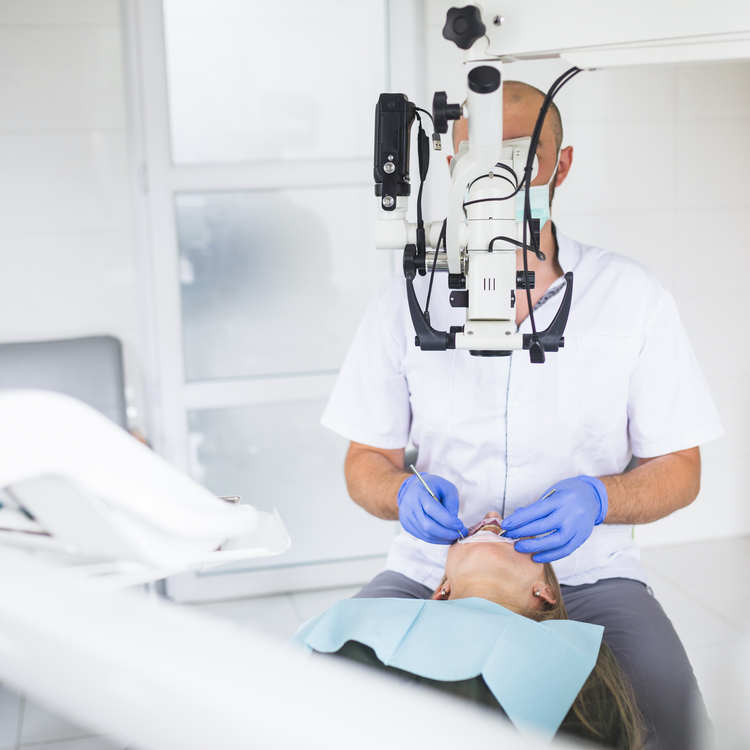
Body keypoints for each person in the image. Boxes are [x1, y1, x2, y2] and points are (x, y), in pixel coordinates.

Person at [321, 80, 724, 749]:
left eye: (519, 153)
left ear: (560, 166)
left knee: (676, 730)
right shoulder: (406, 302)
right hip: (433, 570)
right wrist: (401, 494)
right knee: (322, 707)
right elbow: (366, 464)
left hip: (592, 574)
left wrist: (599, 500)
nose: (496, 172)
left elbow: (680, 469)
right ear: (449, 164)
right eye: (476, 153)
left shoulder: (632, 299)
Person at [295, 513, 644, 749]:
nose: (492, 518)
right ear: (441, 590)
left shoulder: (577, 658)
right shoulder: (355, 614)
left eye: (510, 532)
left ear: (545, 591)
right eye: (483, 526)